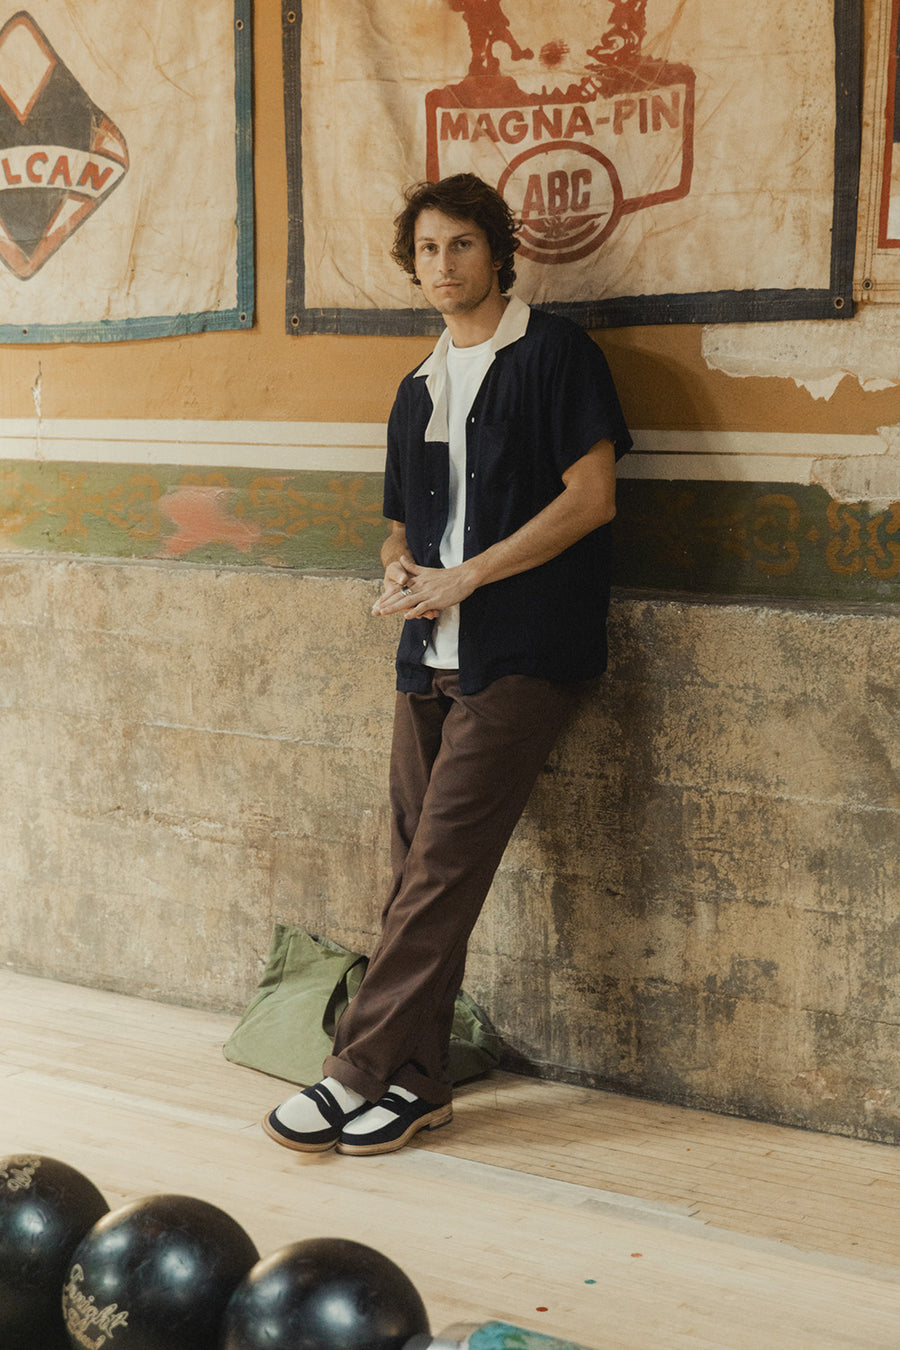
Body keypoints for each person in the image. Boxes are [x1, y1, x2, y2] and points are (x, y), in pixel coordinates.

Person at [263, 173, 631, 1157]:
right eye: (426, 249)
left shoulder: (555, 356)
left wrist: (467, 577)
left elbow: (591, 499)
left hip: (522, 654)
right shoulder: (416, 385)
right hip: (424, 651)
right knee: (410, 875)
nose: (442, 265)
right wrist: (402, 574)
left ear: (498, 252)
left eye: (460, 245)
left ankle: (353, 1070)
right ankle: (419, 1085)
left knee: (439, 873)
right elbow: (398, 529)